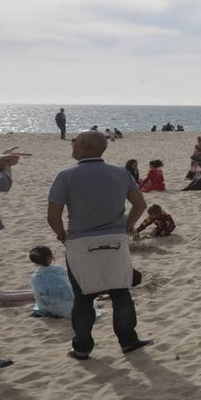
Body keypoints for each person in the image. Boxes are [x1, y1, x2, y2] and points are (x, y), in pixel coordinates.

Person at [47, 131, 153, 361]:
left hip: (81, 243)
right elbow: (140, 204)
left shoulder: (65, 176)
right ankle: (128, 341)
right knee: (121, 293)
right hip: (115, 241)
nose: (72, 144)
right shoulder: (120, 172)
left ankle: (82, 348)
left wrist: (62, 236)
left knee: (83, 297)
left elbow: (53, 216)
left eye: (75, 141)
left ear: (85, 146)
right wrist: (126, 227)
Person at [28, 245, 74, 318]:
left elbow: (38, 296)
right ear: (49, 257)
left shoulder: (35, 277)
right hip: (68, 306)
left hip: (48, 308)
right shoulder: (59, 269)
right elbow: (70, 285)